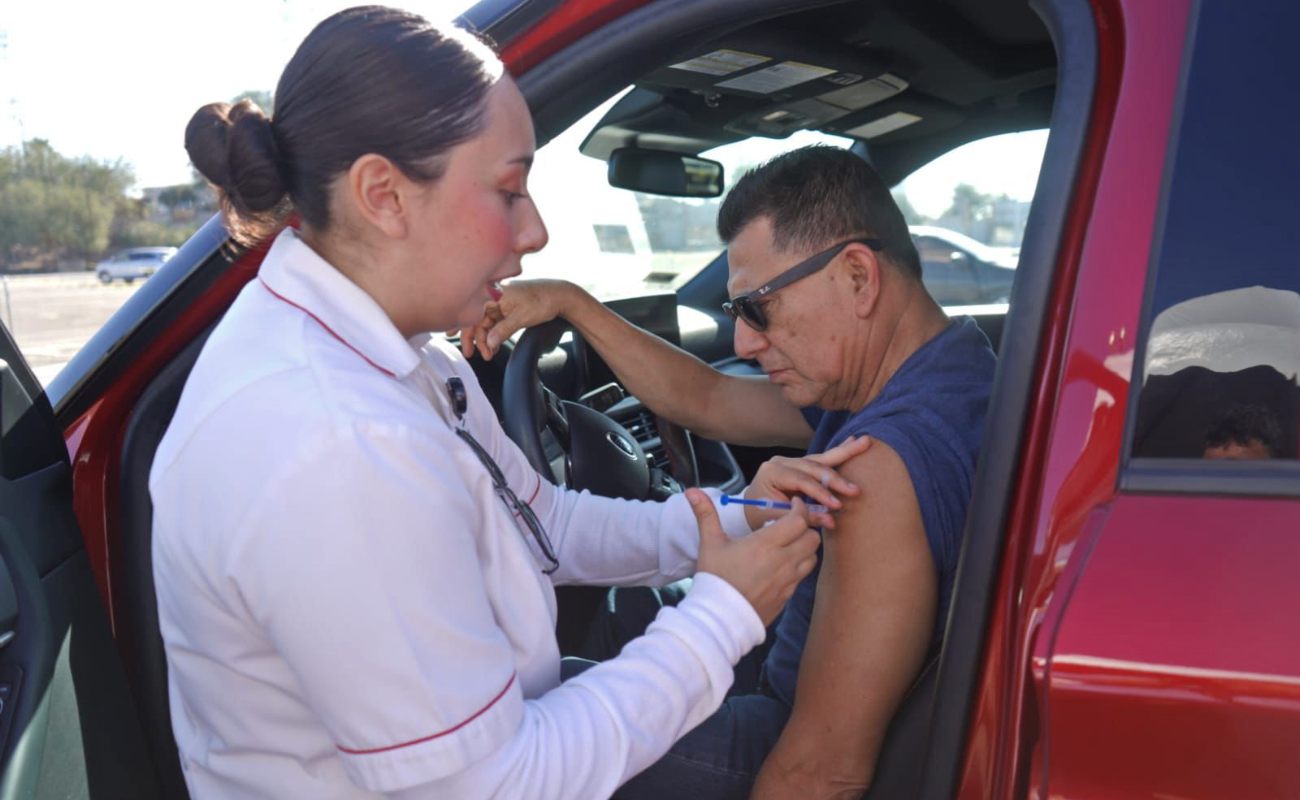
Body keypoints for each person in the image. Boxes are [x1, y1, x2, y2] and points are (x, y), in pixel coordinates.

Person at [150, 8, 844, 799]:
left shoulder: (397, 355)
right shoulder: (334, 445)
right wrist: (723, 615)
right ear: (384, 194)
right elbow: (495, 786)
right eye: (509, 190)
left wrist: (726, 519)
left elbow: (540, 522)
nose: (538, 230)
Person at [461, 145, 999, 798]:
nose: (744, 342)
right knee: (579, 671)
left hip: (779, 729)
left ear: (858, 277)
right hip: (777, 674)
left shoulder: (880, 465)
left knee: (520, 743)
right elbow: (709, 400)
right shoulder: (944, 376)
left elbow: (821, 771)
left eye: (758, 308)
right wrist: (573, 304)